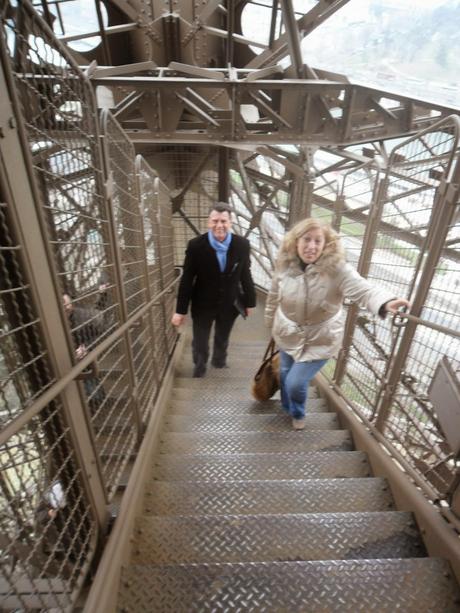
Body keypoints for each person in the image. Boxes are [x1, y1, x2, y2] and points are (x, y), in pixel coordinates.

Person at [265, 217, 411, 430]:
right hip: (287, 333)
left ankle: (297, 412)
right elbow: (273, 296)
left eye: (318, 241)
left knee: (296, 383)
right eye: (307, 239)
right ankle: (287, 407)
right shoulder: (284, 265)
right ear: (296, 241)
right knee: (285, 373)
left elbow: (364, 289)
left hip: (319, 340)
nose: (311, 246)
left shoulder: (337, 270)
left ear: (326, 245)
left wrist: (386, 301)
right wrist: (270, 325)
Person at [171, 202, 256, 377]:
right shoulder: (196, 246)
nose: (219, 226)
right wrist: (180, 311)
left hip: (229, 302)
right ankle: (200, 367)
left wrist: (250, 301)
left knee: (223, 335)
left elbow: (245, 273)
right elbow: (187, 279)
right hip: (203, 303)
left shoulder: (242, 245)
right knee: (200, 340)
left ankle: (219, 361)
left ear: (230, 222)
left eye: (223, 221)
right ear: (209, 223)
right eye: (215, 221)